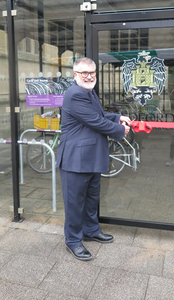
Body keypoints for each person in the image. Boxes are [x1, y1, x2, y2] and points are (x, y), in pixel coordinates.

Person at [56, 57, 131, 261]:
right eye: (84, 73)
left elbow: (98, 114)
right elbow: (95, 121)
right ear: (75, 75)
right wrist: (120, 130)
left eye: (92, 73)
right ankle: (72, 241)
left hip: (90, 158)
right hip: (75, 161)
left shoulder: (88, 91)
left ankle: (90, 230)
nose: (89, 76)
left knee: (91, 200)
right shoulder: (76, 94)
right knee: (74, 203)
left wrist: (117, 118)